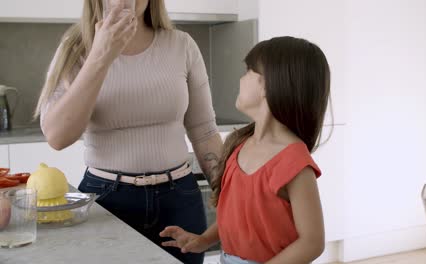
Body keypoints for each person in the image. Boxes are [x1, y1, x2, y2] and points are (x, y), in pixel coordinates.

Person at [34, 0, 223, 263]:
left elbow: (204, 132)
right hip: (106, 199)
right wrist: (101, 55)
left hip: (180, 199)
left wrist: (228, 191)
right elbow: (57, 136)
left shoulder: (182, 45)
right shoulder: (74, 49)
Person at [160, 36, 330, 264]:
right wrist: (203, 240)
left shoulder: (294, 162)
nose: (240, 78)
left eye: (248, 70)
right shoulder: (239, 145)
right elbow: (236, 215)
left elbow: (312, 242)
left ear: (268, 85)